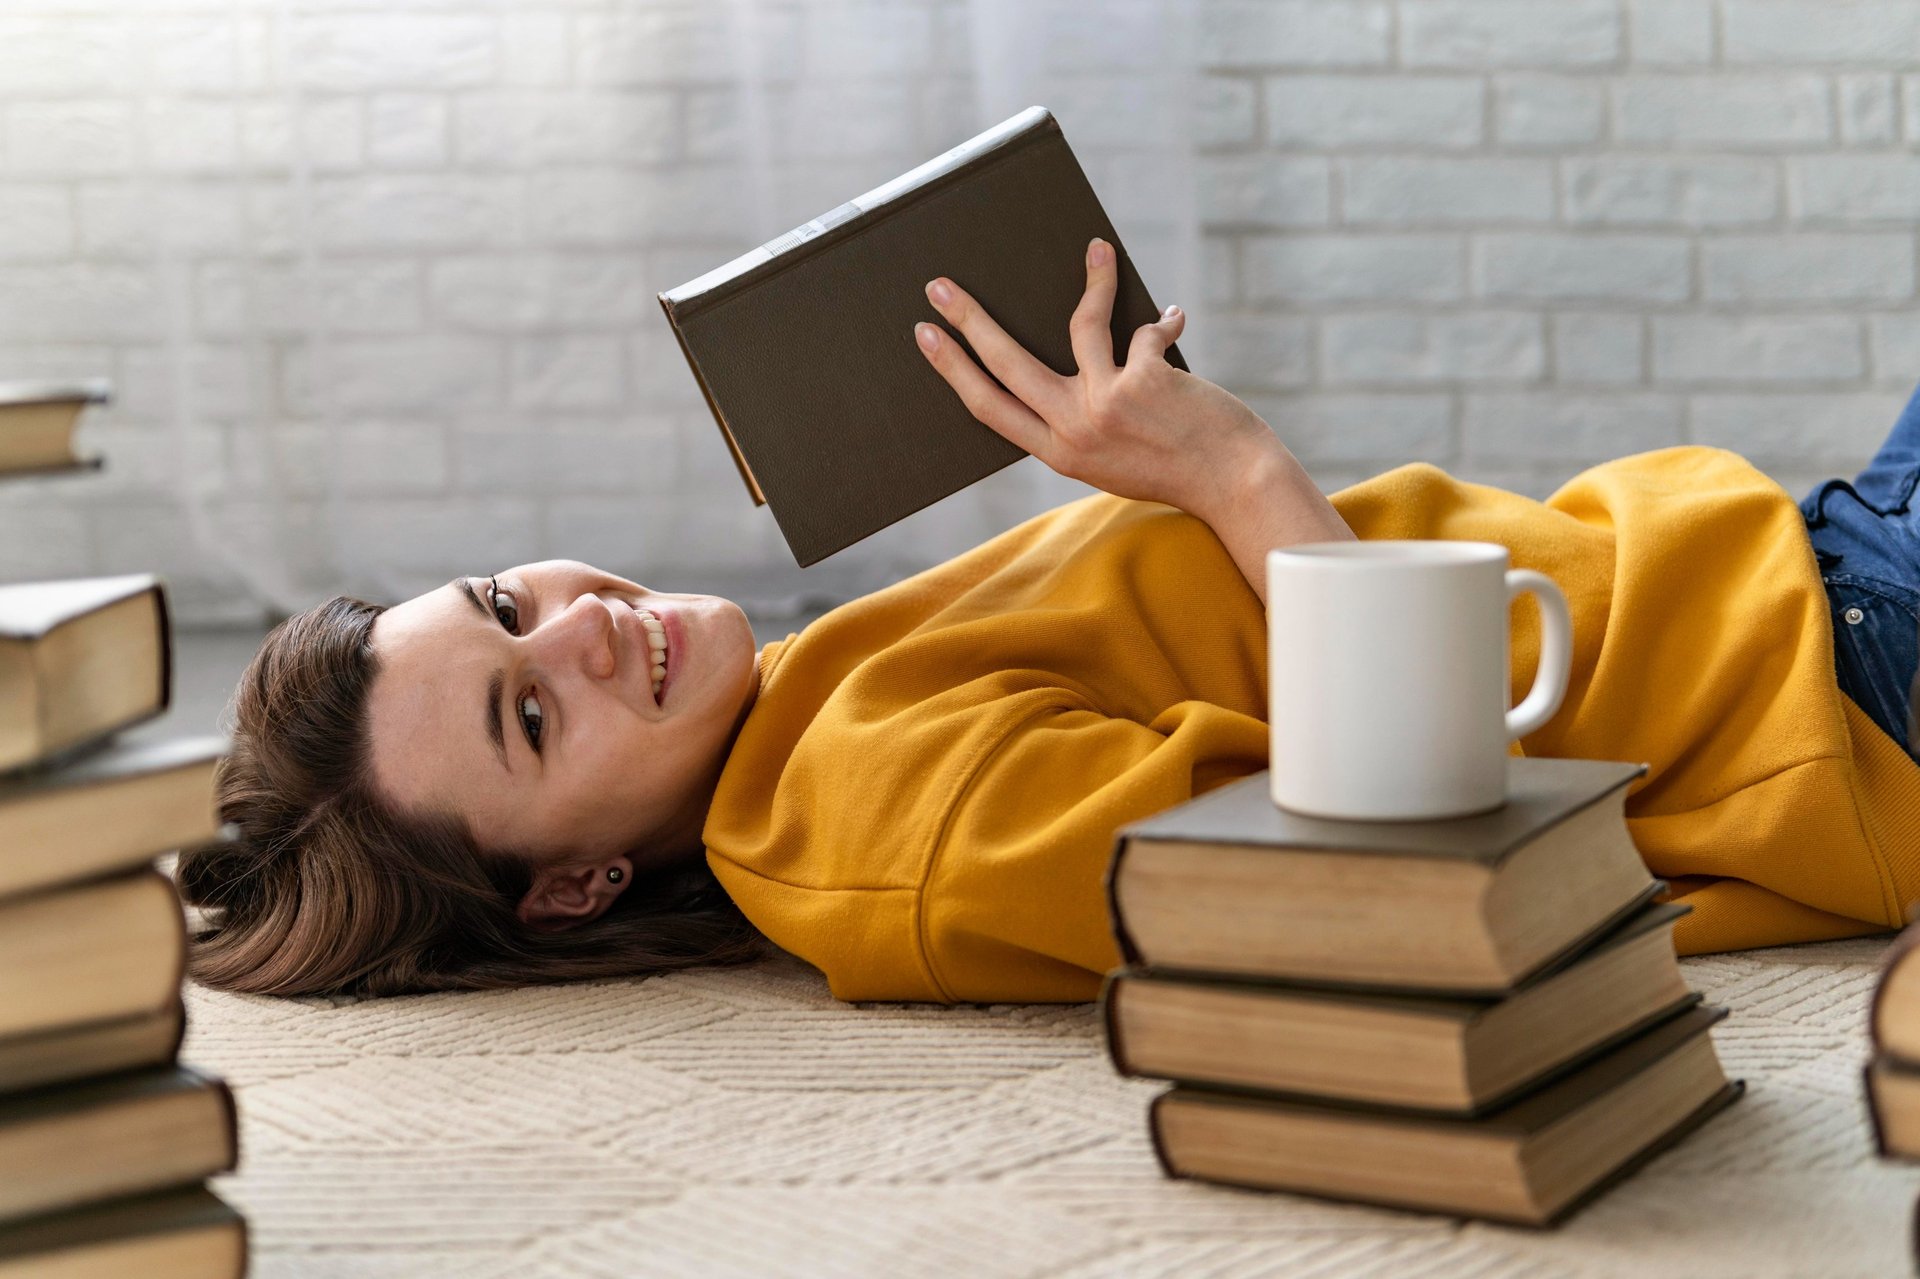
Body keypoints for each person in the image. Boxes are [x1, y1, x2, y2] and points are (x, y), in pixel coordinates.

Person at [176, 237, 1920, 1002]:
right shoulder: (886, 823)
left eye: (503, 607)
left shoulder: (808, 711)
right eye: (529, 719)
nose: (571, 632)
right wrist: (1230, 468)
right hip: (1840, 681)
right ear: (571, 885)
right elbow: (1417, 879)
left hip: (1803, 575)